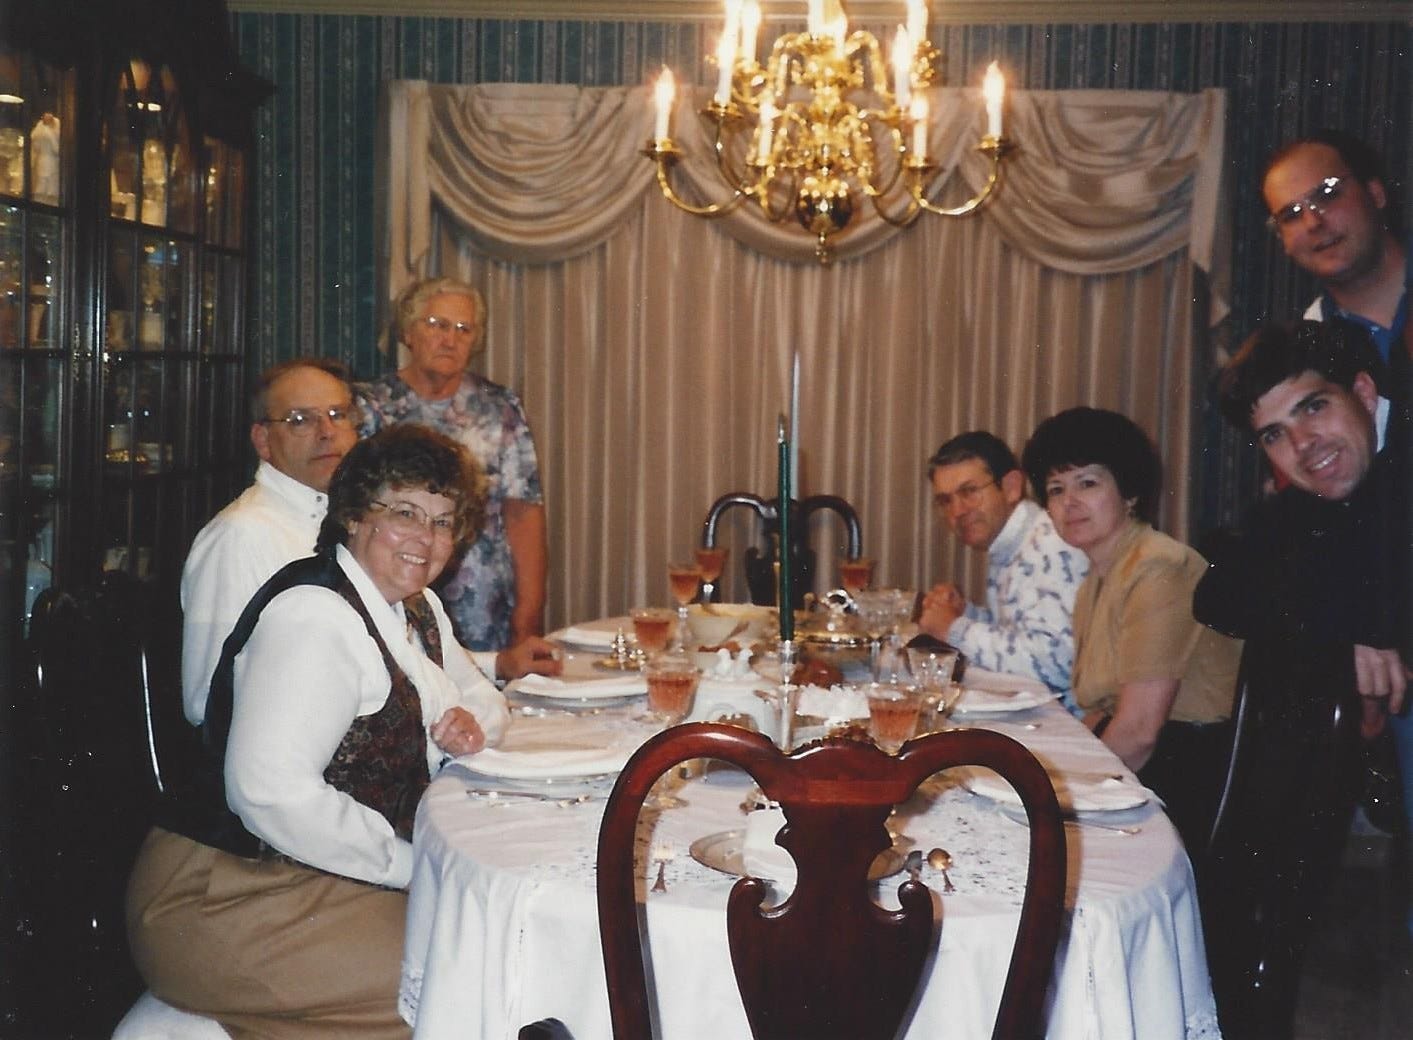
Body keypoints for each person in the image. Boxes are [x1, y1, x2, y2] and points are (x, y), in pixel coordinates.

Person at [129, 425, 509, 1038]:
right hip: (225, 894)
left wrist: (466, 725)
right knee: (457, 977)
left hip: (316, 877)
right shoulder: (315, 618)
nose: (425, 537)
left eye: (442, 521)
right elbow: (270, 793)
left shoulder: (415, 607)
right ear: (356, 515)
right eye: (404, 512)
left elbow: (485, 703)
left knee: (485, 946)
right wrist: (413, 865)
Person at [1195, 319, 1411, 1038]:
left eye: (1312, 407)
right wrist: (1339, 633)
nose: (1301, 447)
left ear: (1362, 390)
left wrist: (1361, 624)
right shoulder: (1303, 506)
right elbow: (1218, 596)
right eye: (1273, 435)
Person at [182, 358, 558, 726]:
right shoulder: (240, 536)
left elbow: (402, 653)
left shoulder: (361, 522)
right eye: (301, 420)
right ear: (263, 440)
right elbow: (206, 700)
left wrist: (498, 665)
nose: (327, 432)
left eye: (338, 415)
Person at [1020, 407, 1242, 856]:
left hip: (1193, 776)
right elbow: (1101, 712)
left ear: (1130, 493)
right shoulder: (1095, 582)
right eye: (1056, 489)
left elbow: (1140, 730)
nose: (1069, 503)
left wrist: (1053, 800)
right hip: (1146, 761)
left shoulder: (1159, 567)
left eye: (1088, 483)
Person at [358, 277, 547, 652]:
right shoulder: (370, 407)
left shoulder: (499, 407)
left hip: (486, 608)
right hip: (394, 596)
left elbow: (523, 514)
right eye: (438, 325)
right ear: (408, 333)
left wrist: (528, 619)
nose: (451, 339)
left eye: (464, 329)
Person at [916, 431, 1087, 710]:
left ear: (1011, 487)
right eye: (946, 500)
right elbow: (1018, 631)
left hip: (1067, 725)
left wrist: (954, 629)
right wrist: (964, 613)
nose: (957, 511)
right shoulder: (1012, 542)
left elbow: (1053, 665)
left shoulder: (1049, 545)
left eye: (969, 492)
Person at [1261, 131, 1409, 372]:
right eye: (1292, 215)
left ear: (1375, 194)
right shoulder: (1304, 361)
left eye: (1327, 195)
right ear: (1283, 241)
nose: (1313, 223)